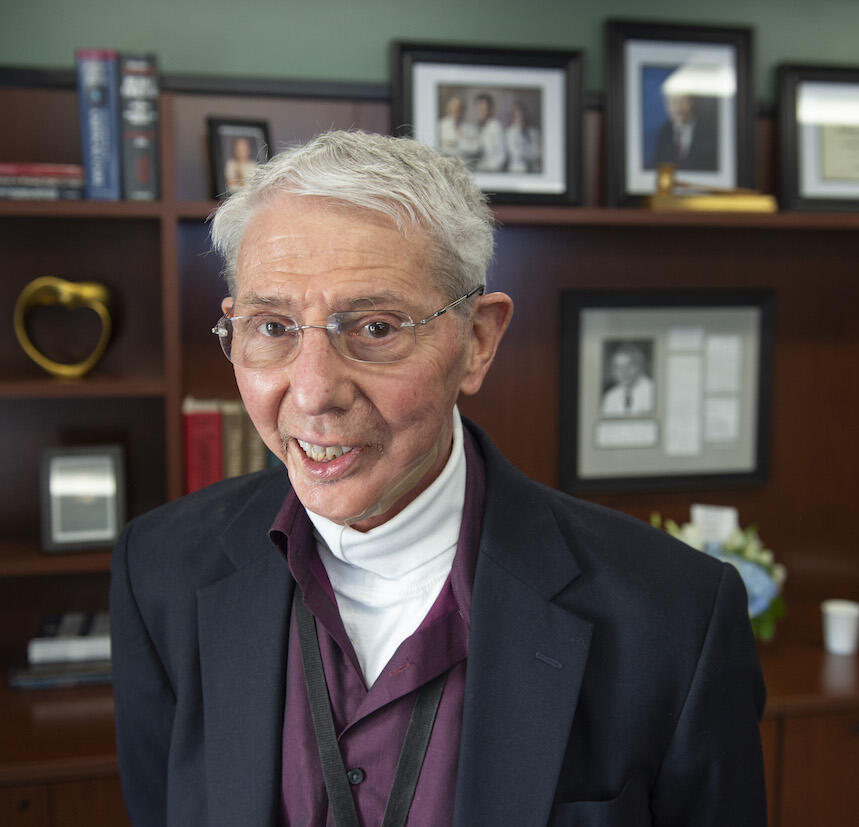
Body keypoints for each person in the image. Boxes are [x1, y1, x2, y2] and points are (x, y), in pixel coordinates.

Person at [110, 130, 766, 826]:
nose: (312, 393)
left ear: (478, 341)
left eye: (375, 328)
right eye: (272, 327)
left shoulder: (673, 620)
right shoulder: (159, 572)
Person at [652, 90, 719, 173]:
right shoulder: (663, 133)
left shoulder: (709, 132)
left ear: (691, 102)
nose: (678, 107)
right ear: (666, 106)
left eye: (682, 101)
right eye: (673, 102)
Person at [601, 342, 655, 417]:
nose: (622, 372)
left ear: (639, 366)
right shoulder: (610, 397)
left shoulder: (653, 391)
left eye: (628, 366)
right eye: (618, 367)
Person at [504, 101, 542, 175]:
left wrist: (532, 154)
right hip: (517, 170)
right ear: (513, 116)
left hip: (535, 171)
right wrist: (532, 154)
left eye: (522, 114)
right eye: (517, 115)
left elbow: (538, 153)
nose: (521, 117)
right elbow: (517, 154)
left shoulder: (534, 132)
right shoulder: (509, 133)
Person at [472, 93, 506, 172]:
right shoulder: (475, 128)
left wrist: (492, 170)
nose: (482, 112)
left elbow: (502, 155)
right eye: (480, 109)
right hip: (479, 170)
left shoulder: (496, 127)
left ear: (490, 109)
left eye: (485, 109)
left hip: (492, 171)